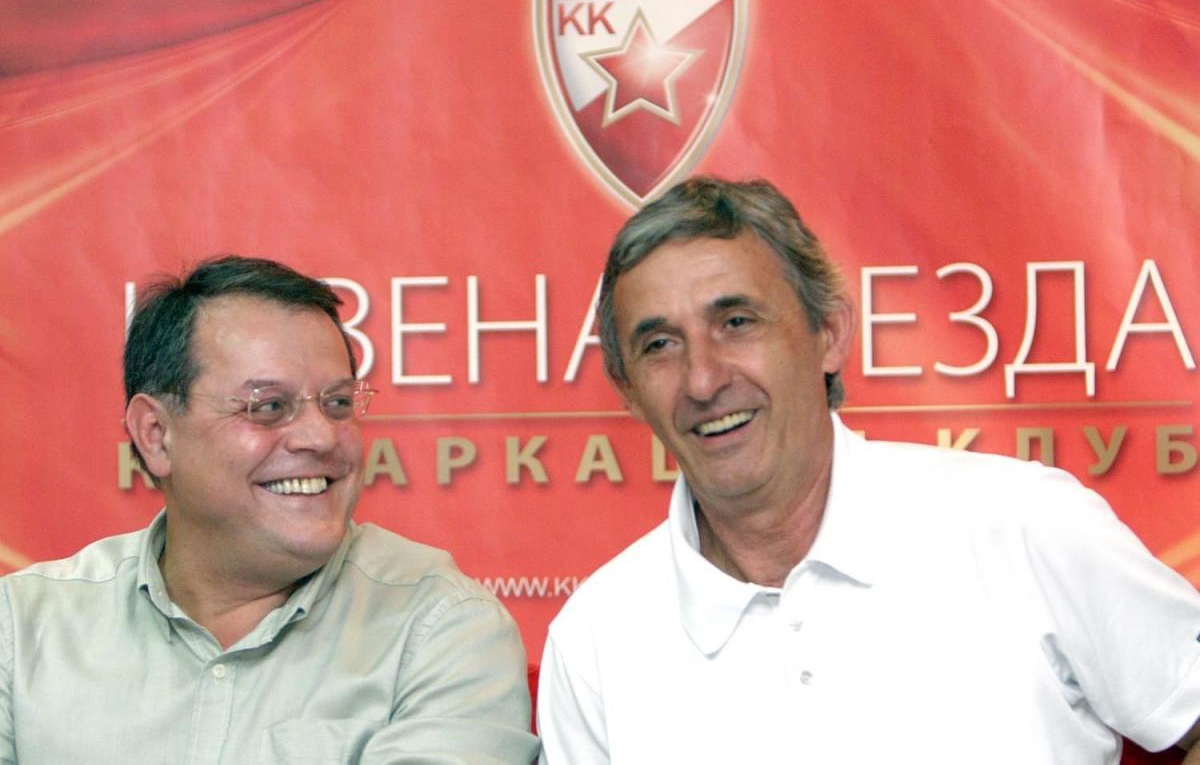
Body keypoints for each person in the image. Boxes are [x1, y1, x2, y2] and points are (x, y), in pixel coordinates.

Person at [536, 177, 1200, 764]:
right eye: (660, 345)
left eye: (736, 322)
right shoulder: (595, 639)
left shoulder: (1024, 525)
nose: (703, 379)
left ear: (828, 333)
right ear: (628, 392)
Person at [0, 256, 538, 764]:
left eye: (338, 403)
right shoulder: (23, 628)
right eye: (269, 407)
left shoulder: (439, 627)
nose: (319, 436)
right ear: (157, 435)